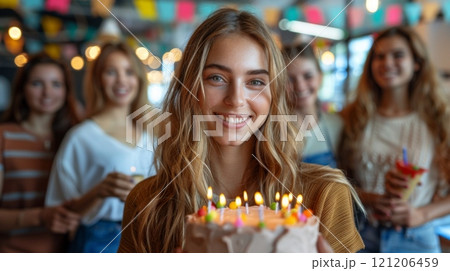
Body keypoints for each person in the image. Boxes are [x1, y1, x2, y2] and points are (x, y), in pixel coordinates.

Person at [118, 8, 364, 253]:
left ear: (274, 96)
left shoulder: (325, 196)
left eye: (255, 82)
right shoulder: (146, 202)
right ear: (188, 89)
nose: (236, 99)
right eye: (217, 78)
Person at [339, 26, 450, 252]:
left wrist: (421, 214)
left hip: (416, 239)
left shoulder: (440, 119)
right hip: (361, 234)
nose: (387, 63)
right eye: (379, 56)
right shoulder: (352, 117)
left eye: (398, 55)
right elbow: (339, 179)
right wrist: (368, 198)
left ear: (417, 63)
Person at [45, 41, 155, 253]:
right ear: (98, 80)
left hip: (147, 234)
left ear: (139, 79)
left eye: (129, 71)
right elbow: (61, 210)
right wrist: (98, 192)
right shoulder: (81, 137)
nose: (121, 80)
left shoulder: (153, 132)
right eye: (111, 72)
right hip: (99, 240)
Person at [0, 53, 80, 252]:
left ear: (66, 90)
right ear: (22, 89)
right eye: (37, 83)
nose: (47, 93)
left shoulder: (73, 139)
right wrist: (41, 217)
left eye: (56, 84)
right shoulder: (4, 137)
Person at [283, 43, 342, 168]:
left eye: (308, 76)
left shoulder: (337, 125)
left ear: (320, 77)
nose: (300, 86)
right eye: (290, 79)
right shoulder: (273, 130)